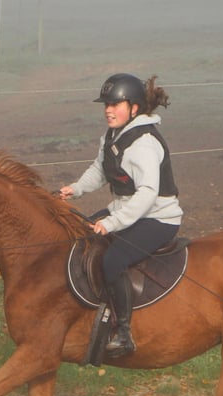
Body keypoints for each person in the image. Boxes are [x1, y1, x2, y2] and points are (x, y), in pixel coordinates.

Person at [60, 73, 183, 358]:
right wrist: (75, 189)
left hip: (157, 218)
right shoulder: (113, 136)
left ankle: (124, 332)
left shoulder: (144, 144)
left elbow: (147, 194)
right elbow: (99, 170)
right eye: (106, 104)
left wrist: (112, 223)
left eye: (115, 104)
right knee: (82, 236)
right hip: (128, 210)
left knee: (114, 258)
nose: (108, 109)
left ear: (135, 108)